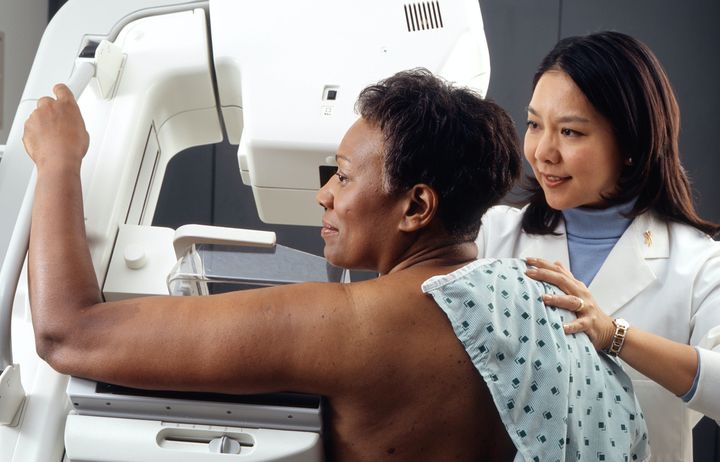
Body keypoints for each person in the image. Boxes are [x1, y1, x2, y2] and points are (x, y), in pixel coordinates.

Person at [23, 69, 648, 461]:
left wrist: (59, 162)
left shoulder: (355, 326)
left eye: (344, 177)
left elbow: (67, 332)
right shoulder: (537, 299)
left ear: (416, 206)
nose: (324, 195)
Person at [476, 31, 720, 461]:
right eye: (534, 125)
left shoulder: (698, 264)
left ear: (630, 144)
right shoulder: (493, 236)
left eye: (570, 131)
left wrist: (614, 336)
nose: (542, 151)